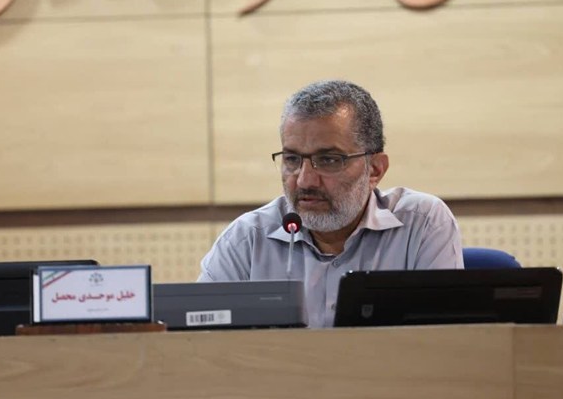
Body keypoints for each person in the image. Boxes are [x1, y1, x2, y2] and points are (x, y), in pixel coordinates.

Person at [198, 80, 463, 327]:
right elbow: (200, 343)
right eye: (292, 159)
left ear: (375, 170)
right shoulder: (247, 240)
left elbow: (443, 344)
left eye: (329, 160)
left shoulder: (422, 224)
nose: (305, 180)